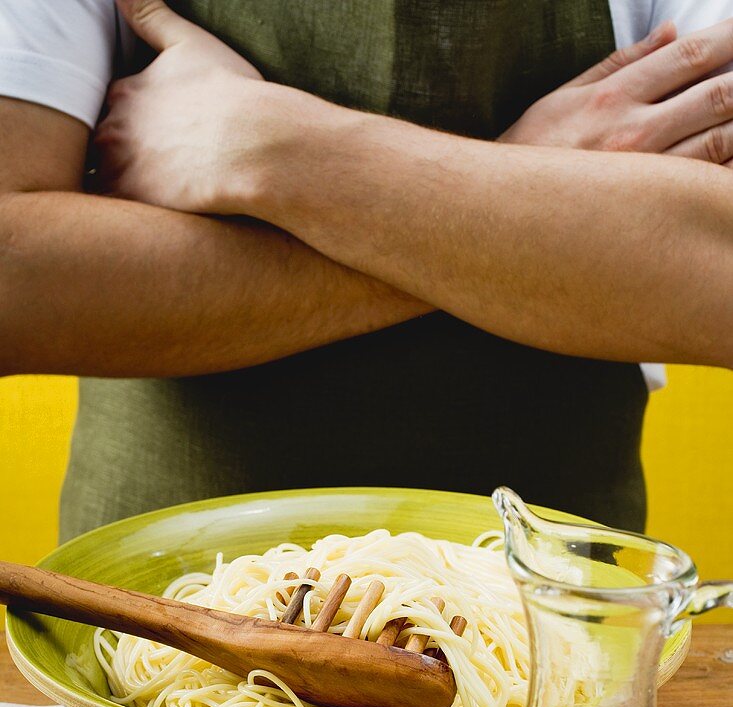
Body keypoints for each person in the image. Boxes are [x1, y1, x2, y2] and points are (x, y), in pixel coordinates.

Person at [1, 1, 732, 539]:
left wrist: (271, 147)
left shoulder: (262, 142)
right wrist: (544, 190)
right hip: (154, 624)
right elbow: (16, 281)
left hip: (549, 643)